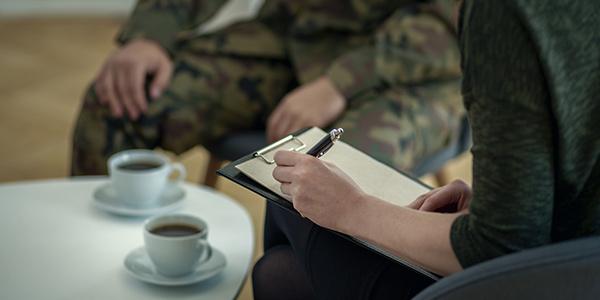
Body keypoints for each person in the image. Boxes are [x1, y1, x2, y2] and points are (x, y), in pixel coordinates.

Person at [252, 0, 600, 299]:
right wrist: (498, 197)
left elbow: (497, 246)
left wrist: (351, 207)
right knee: (280, 272)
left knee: (286, 207)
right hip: (576, 260)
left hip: (551, 278)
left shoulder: (503, 14)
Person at [71, 0, 464, 176]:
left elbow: (456, 18)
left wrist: (340, 83)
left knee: (334, 178)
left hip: (421, 68)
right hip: (298, 36)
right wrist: (150, 35)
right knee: (120, 99)